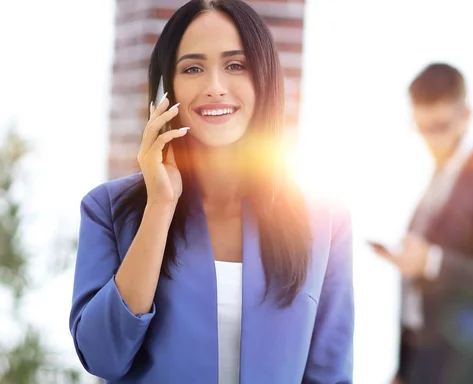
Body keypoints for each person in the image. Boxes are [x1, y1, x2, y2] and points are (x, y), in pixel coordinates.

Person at [68, 1, 354, 383]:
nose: (215, 87)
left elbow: (330, 374)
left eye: (235, 65)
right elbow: (102, 356)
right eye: (193, 68)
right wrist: (160, 205)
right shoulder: (109, 209)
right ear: (165, 91)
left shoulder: (325, 221)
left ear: (264, 80)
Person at [371, 63, 473, 384]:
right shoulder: (442, 173)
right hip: (425, 366)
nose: (431, 139)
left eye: (441, 126)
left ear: (466, 115)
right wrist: (406, 367)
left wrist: (432, 262)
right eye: (422, 127)